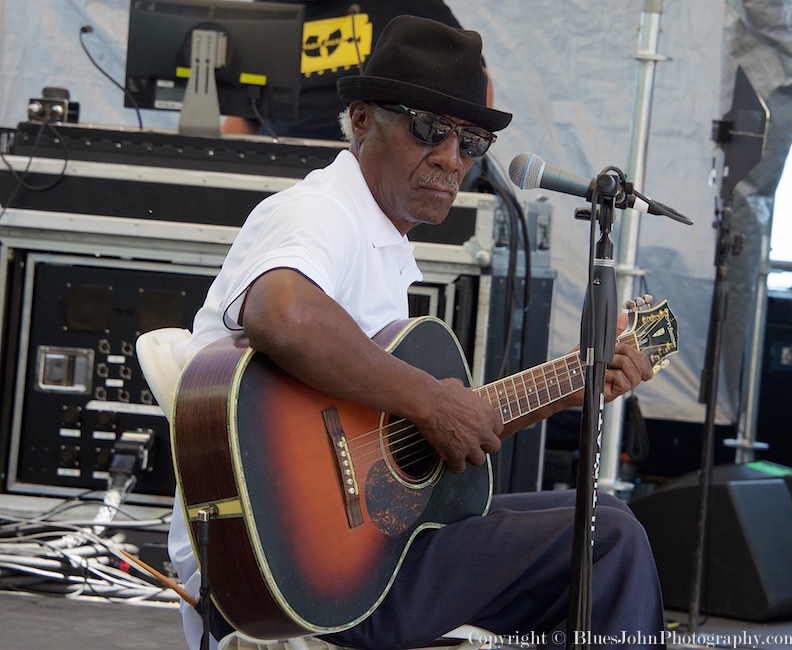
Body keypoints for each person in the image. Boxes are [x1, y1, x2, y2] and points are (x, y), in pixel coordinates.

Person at [169, 15, 665, 650]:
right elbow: (282, 313)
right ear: (360, 119)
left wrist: (573, 385)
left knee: (609, 518)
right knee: (606, 540)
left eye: (471, 143)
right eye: (430, 130)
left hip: (365, 550)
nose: (451, 159)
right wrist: (431, 400)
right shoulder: (320, 212)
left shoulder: (383, 244)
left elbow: (411, 436)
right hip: (296, 570)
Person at [222, 0, 492, 140]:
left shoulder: (405, 4)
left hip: (374, 173)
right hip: (281, 169)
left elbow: (477, 79)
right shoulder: (270, 9)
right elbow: (245, 118)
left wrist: (458, 147)